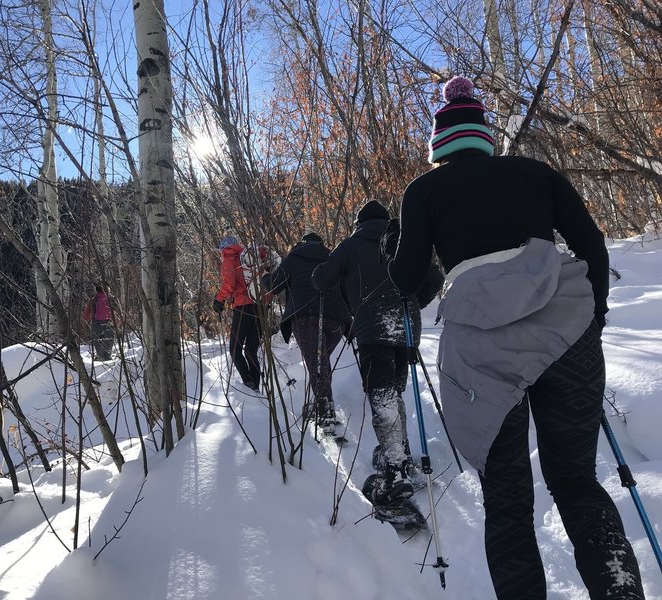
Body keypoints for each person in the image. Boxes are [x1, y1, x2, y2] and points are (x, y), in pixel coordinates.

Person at [387, 76, 644, 599]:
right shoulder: (536, 174)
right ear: (483, 132)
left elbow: (408, 281)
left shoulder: (424, 191)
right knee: (575, 481)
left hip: (482, 350)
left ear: (439, 143)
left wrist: (398, 250)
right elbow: (592, 244)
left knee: (506, 498)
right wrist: (592, 314)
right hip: (567, 333)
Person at [312, 200, 441, 523]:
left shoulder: (351, 245)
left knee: (382, 396)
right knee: (394, 393)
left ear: (359, 222)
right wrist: (412, 302)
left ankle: (396, 474)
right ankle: (399, 453)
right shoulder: (403, 242)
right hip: (406, 328)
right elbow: (435, 277)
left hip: (373, 328)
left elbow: (320, 280)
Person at [262, 232, 352, 430]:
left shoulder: (294, 258)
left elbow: (274, 286)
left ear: (301, 244)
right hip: (337, 318)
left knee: (316, 362)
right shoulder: (333, 258)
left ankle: (324, 409)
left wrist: (265, 275)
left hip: (304, 316)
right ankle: (322, 404)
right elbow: (348, 289)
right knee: (320, 361)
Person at [213, 235, 262, 392]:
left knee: (235, 348)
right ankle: (255, 385)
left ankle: (249, 384)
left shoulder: (230, 258)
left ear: (224, 248)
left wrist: (219, 300)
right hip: (260, 306)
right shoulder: (248, 257)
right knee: (251, 349)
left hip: (243, 307)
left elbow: (229, 283)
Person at [83, 285, 114, 361]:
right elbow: (118, 310)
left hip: (96, 322)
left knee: (97, 339)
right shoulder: (112, 298)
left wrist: (86, 319)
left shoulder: (94, 299)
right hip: (109, 321)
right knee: (109, 338)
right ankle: (108, 355)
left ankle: (100, 355)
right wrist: (119, 321)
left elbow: (87, 311)